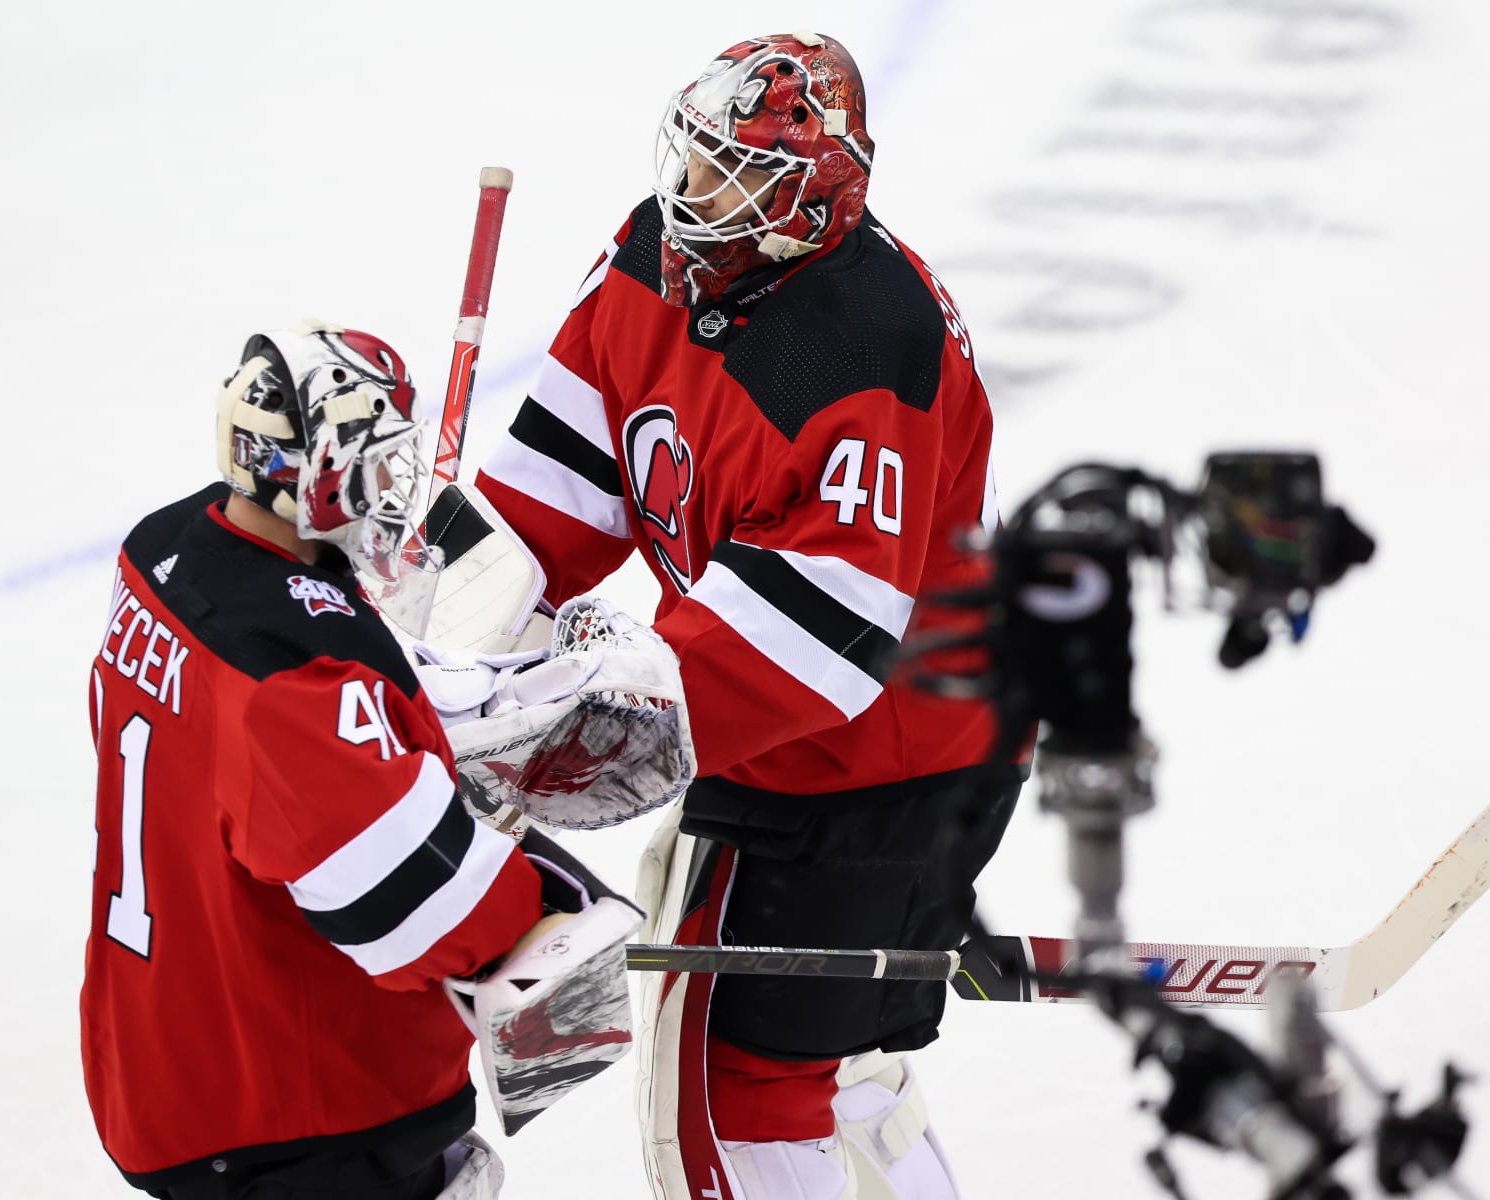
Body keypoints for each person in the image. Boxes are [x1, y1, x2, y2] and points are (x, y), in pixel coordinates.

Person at [464, 31, 1017, 1200]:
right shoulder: (658, 248)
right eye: (694, 158)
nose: (692, 192)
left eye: (731, 173)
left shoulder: (870, 352)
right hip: (883, 750)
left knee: (726, 1099)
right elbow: (559, 486)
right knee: (844, 1068)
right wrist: (447, 630)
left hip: (870, 776)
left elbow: (809, 654)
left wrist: (538, 744)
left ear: (809, 195)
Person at [79, 320, 641, 1200]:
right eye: (373, 462)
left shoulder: (162, 551)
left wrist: (380, 678)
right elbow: (413, 900)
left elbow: (249, 751)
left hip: (177, 1045)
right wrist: (560, 909)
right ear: (310, 471)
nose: (392, 486)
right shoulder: (289, 681)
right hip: (296, 1109)